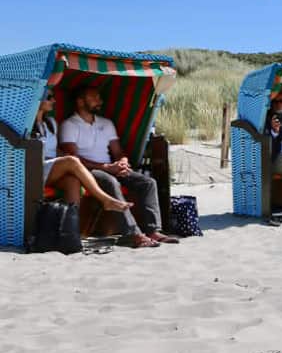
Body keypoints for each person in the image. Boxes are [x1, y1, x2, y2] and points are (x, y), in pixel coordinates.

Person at [59, 85, 180, 244]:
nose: (99, 101)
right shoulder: (69, 125)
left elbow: (118, 151)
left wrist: (123, 162)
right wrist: (106, 168)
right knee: (110, 181)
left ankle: (153, 231)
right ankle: (132, 234)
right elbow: (73, 158)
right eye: (94, 98)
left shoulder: (106, 123)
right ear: (80, 102)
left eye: (99, 98)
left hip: (110, 167)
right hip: (87, 170)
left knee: (148, 183)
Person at [34, 92, 142, 240]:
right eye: (49, 98)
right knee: (72, 160)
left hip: (52, 167)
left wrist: (62, 157)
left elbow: (55, 150)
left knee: (72, 181)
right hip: (34, 167)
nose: (53, 100)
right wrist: (66, 160)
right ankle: (105, 200)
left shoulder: (51, 123)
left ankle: (71, 232)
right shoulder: (27, 125)